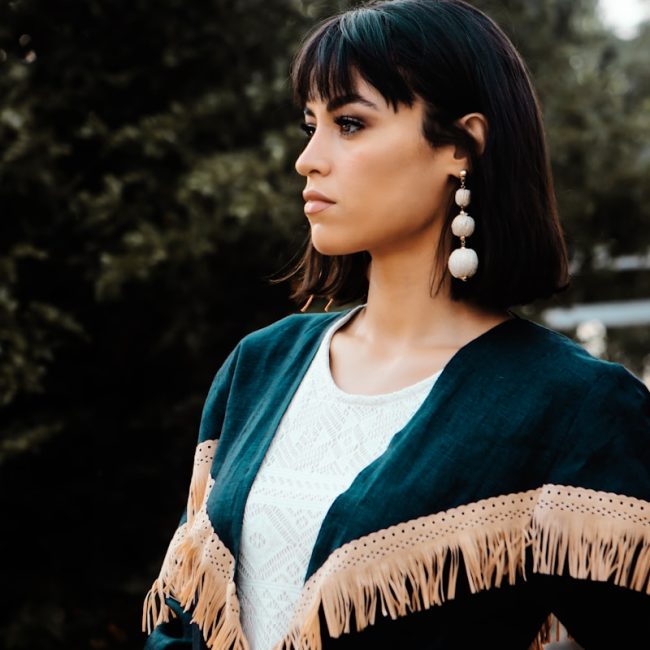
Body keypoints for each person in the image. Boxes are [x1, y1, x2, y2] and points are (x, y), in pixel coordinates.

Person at [141, 1, 650, 648]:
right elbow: (181, 618)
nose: (309, 159)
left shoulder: (573, 405)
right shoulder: (258, 366)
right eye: (310, 124)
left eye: (350, 123)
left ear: (461, 146)